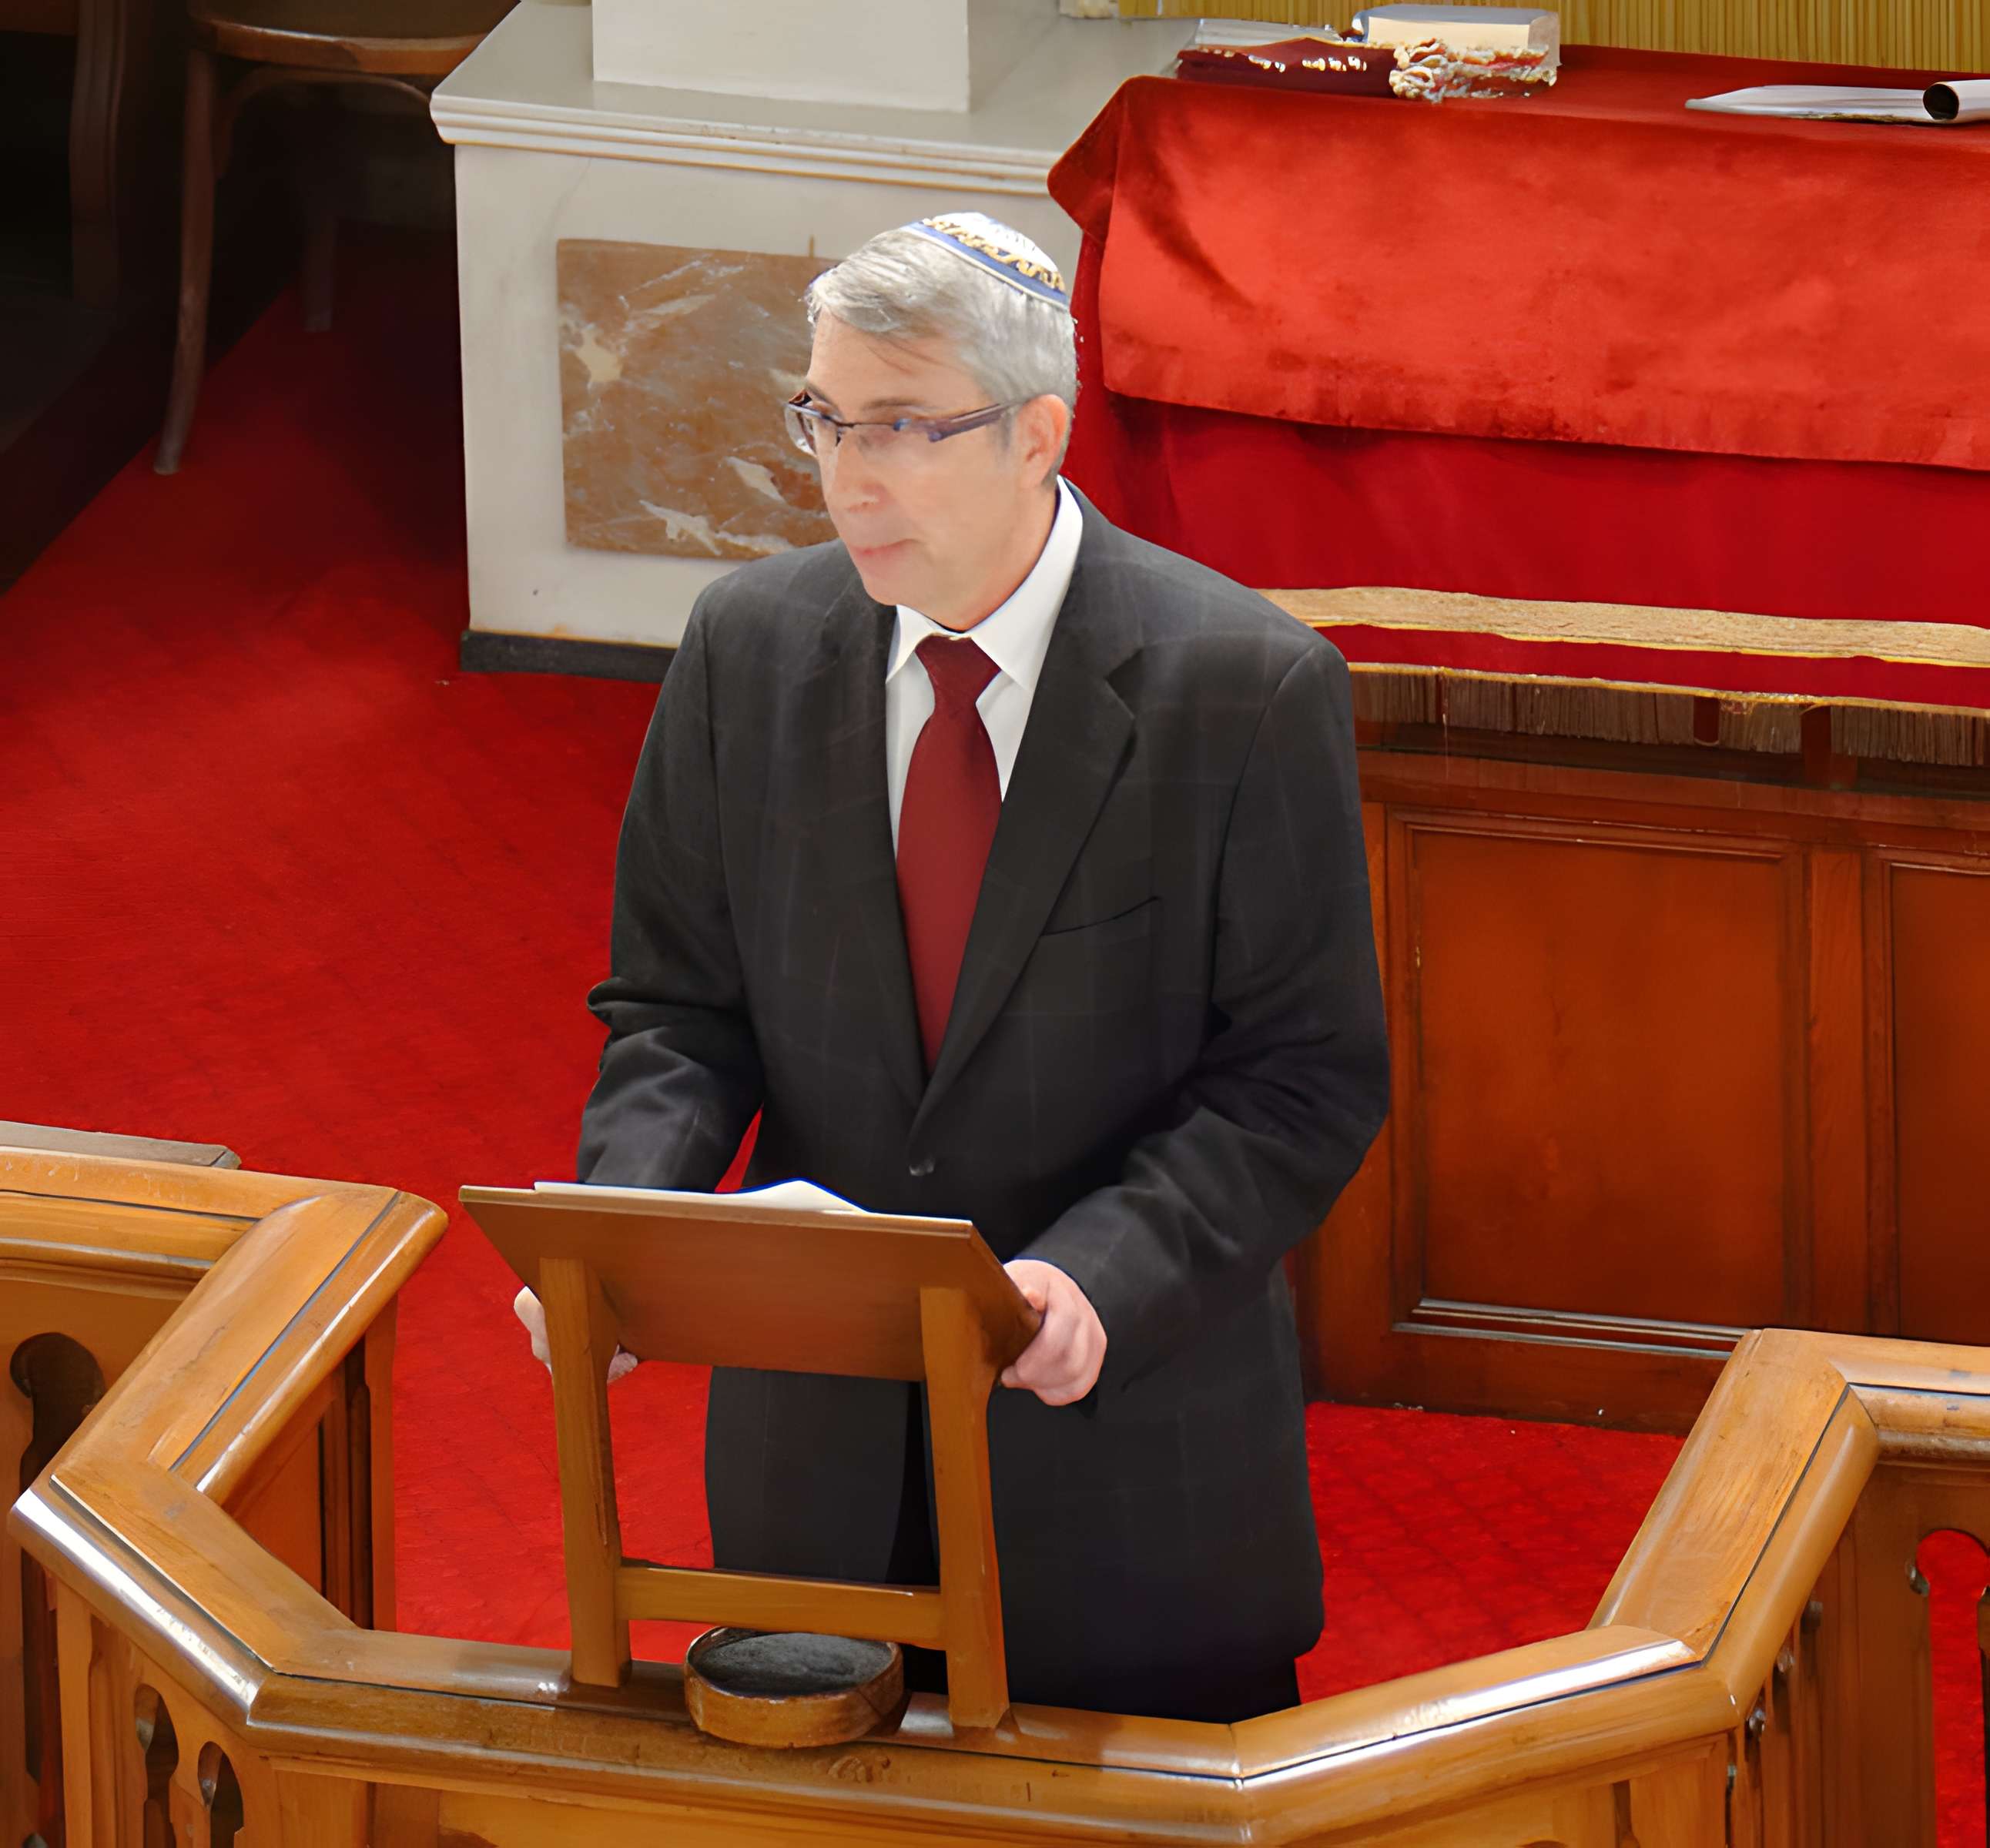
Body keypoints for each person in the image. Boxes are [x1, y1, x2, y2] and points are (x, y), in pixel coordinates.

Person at [558, 210, 1389, 1723]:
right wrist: (625, 1224)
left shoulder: (1242, 688)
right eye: (822, 416)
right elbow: (677, 1011)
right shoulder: (745, 649)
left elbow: (1298, 1082)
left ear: (1036, 435)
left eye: (900, 427)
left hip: (1126, 1482)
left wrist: (1094, 1274)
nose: (845, 474)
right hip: (817, 1483)